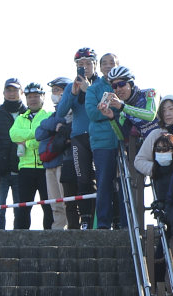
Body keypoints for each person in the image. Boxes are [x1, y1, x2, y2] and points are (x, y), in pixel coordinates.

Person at [87, 66, 157, 229]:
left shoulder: (149, 93)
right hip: (140, 151)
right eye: (114, 86)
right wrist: (112, 118)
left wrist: (121, 107)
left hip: (161, 145)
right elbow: (122, 136)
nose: (118, 89)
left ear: (131, 84)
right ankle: (129, 226)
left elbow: (150, 115)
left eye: (122, 84)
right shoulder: (122, 110)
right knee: (132, 184)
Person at [56, 48, 100, 229]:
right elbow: (60, 112)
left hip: (98, 136)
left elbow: (102, 107)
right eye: (80, 64)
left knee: (102, 178)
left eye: (88, 63)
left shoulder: (101, 84)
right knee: (82, 179)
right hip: (78, 137)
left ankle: (105, 219)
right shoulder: (70, 86)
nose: (84, 67)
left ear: (95, 64)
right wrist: (73, 93)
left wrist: (88, 90)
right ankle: (86, 220)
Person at [9, 83, 51, 230]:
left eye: (36, 96)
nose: (33, 99)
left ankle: (49, 236)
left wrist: (26, 142)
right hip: (25, 168)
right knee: (23, 208)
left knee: (48, 206)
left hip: (44, 166)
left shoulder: (48, 115)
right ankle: (21, 238)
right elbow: (13, 135)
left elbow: (43, 137)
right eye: (29, 97)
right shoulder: (20, 118)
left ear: (43, 97)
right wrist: (35, 134)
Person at [0, 79, 26, 231]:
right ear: (3, 93)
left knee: (20, 211)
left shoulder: (27, 113)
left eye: (15, 90)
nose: (12, 93)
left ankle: (19, 242)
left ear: (21, 92)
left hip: (22, 170)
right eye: (9, 90)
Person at [37, 78, 77, 230]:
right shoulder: (53, 115)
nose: (55, 94)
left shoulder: (72, 110)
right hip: (49, 165)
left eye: (58, 90)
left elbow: (66, 125)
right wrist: (56, 126)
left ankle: (69, 227)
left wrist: (56, 126)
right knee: (55, 203)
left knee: (67, 201)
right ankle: (58, 229)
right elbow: (39, 131)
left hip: (64, 162)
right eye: (53, 91)